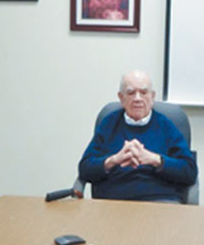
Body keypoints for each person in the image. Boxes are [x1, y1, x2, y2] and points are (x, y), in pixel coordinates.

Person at [78, 70, 197, 202]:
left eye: (144, 92)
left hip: (159, 201)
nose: (137, 99)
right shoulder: (109, 124)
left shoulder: (166, 126)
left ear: (152, 97)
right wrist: (114, 160)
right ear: (121, 98)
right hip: (114, 202)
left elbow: (189, 171)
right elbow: (84, 168)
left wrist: (155, 159)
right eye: (131, 93)